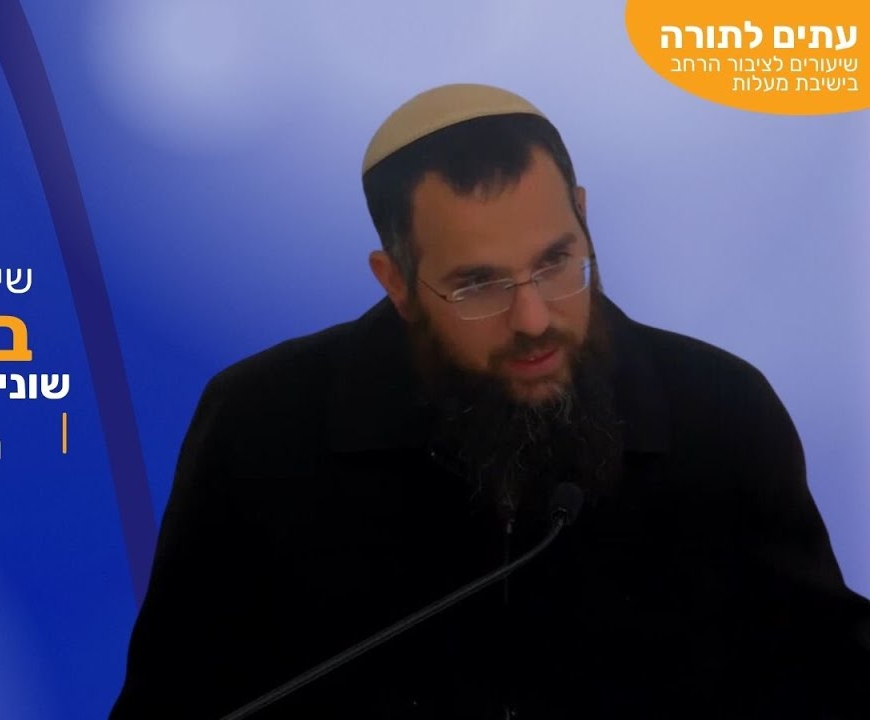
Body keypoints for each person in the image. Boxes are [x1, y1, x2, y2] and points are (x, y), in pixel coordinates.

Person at [110, 83, 870, 719]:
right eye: (478, 284)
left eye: (556, 262)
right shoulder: (261, 422)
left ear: (583, 216)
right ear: (396, 282)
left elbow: (827, 679)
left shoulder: (719, 408)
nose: (533, 319)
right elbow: (173, 699)